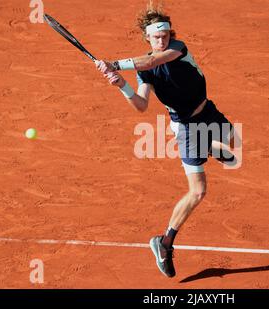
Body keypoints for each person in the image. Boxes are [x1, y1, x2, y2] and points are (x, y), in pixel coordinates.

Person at [95, 5, 237, 278]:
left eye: (165, 35)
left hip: (207, 111)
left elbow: (151, 61)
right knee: (198, 192)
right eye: (156, 37)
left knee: (234, 143)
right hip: (185, 128)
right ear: (147, 39)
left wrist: (114, 64)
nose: (162, 40)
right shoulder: (145, 72)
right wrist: (121, 85)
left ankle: (209, 145)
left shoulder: (178, 49)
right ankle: (164, 242)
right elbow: (141, 105)